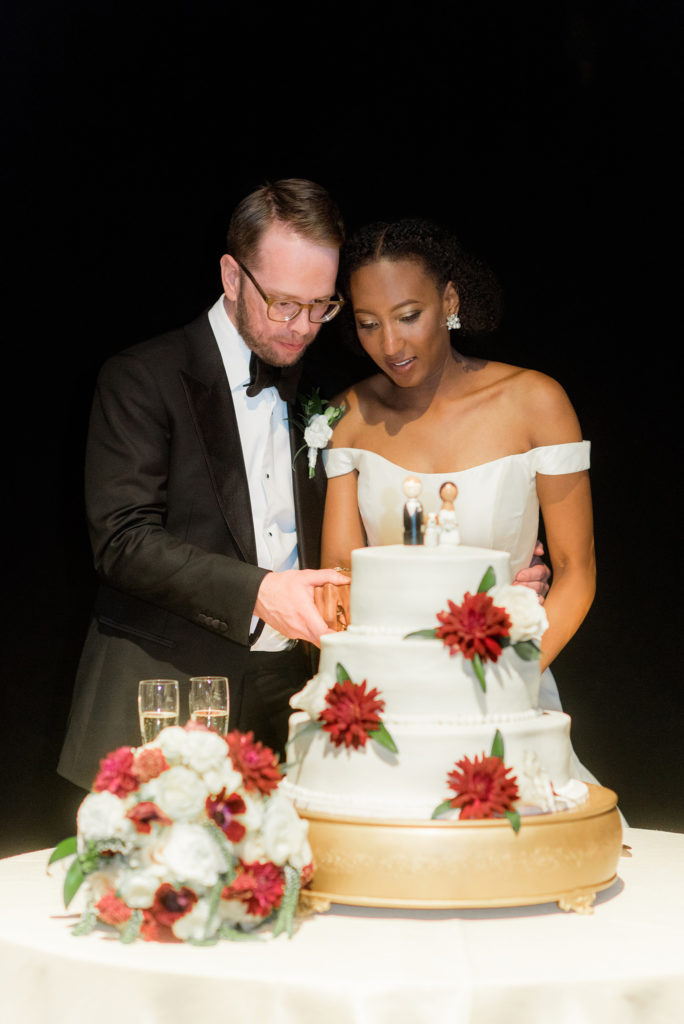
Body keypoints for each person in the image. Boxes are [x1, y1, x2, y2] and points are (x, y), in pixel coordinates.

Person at [57, 178, 351, 790]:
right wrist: (259, 592)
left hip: (289, 706)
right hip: (165, 697)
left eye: (322, 305)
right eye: (284, 303)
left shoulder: (319, 390)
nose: (302, 327)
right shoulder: (142, 376)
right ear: (232, 275)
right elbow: (122, 540)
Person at [319, 218, 596, 729]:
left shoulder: (537, 402)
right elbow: (339, 578)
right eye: (368, 323)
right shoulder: (348, 417)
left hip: (507, 689)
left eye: (408, 316)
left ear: (449, 301)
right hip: (388, 696)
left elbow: (577, 573)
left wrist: (510, 680)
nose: (391, 345)